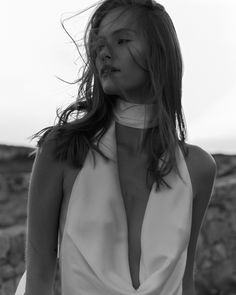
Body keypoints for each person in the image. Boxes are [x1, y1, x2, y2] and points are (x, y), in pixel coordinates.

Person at [15, 0, 217, 294]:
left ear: (160, 52)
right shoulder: (63, 151)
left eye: (122, 40)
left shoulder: (198, 168)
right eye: (98, 46)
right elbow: (38, 281)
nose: (105, 54)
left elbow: (185, 282)